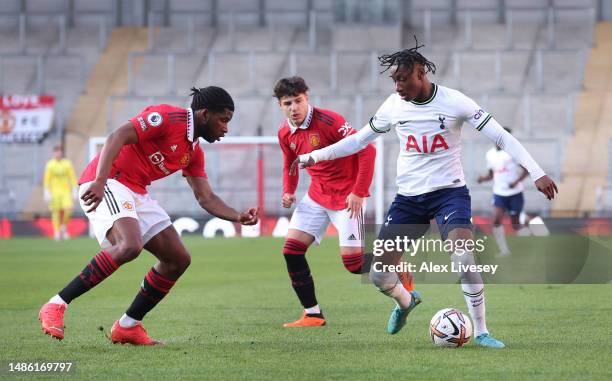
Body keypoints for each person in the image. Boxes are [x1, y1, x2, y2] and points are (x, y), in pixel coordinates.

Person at [291, 43, 558, 348]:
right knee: (379, 274)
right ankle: (405, 302)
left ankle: (482, 330)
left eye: (403, 78)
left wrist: (537, 172)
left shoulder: (454, 101)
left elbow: (500, 135)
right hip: (408, 200)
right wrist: (316, 156)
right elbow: (359, 140)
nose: (398, 86)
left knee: (463, 256)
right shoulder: (393, 105)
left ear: (421, 73)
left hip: (450, 194)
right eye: (394, 80)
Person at [38, 86, 258, 345]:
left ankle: (128, 326)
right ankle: (56, 305)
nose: (225, 128)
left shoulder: (194, 152)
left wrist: (238, 216)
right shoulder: (167, 117)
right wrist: (99, 180)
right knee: (130, 245)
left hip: (136, 191)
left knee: (178, 259)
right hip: (108, 180)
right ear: (204, 114)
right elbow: (116, 136)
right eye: (223, 120)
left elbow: (205, 197)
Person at [275, 76, 385, 327]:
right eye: (287, 103)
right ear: (280, 106)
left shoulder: (330, 121)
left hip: (348, 197)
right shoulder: (284, 132)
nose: (294, 108)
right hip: (316, 195)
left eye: (298, 101)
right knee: (291, 251)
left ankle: (393, 261)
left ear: (307, 98)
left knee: (354, 265)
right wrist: (288, 191)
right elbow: (289, 164)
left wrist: (359, 192)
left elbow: (368, 150)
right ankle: (312, 313)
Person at [477, 127, 531, 257]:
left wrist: (516, 182)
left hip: (515, 194)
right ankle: (504, 251)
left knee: (515, 226)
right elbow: (491, 175)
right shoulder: (490, 154)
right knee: (496, 221)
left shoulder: (512, 153)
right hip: (499, 193)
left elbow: (526, 170)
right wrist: (483, 179)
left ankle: (525, 220)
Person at [43, 145, 77, 240]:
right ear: (54, 153)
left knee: (68, 209)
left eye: (60, 152)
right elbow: (47, 178)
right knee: (55, 212)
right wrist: (46, 191)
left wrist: (74, 188)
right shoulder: (50, 164)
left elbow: (72, 176)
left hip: (66, 191)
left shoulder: (67, 163)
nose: (58, 153)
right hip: (54, 192)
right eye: (56, 152)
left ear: (62, 153)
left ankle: (64, 226)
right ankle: (57, 232)